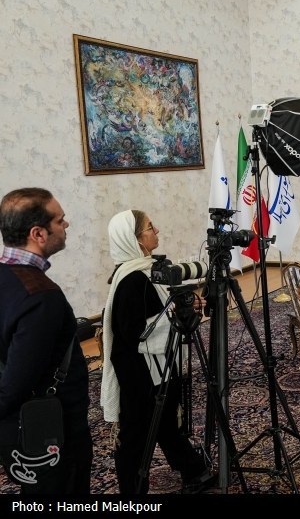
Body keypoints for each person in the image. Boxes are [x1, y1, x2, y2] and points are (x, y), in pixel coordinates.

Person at [100, 210, 213, 494]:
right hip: (142, 374)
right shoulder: (133, 280)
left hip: (157, 366)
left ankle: (193, 470)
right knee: (137, 435)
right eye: (150, 228)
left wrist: (179, 311)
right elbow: (136, 333)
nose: (157, 231)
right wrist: (178, 317)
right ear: (135, 239)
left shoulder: (143, 270)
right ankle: (133, 492)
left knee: (163, 424)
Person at [0, 187, 92, 494]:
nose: (66, 225)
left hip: (21, 429)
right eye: (60, 220)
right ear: (38, 233)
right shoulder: (41, 298)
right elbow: (16, 383)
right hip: (51, 432)